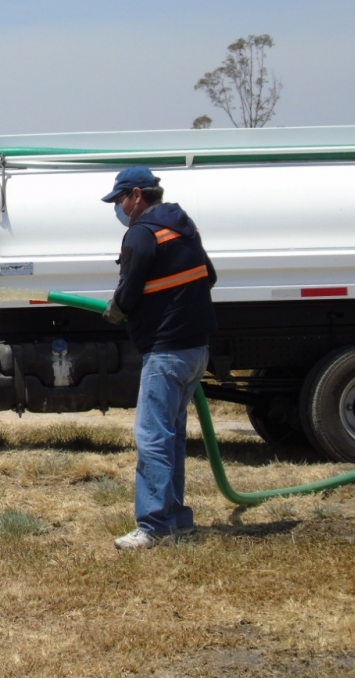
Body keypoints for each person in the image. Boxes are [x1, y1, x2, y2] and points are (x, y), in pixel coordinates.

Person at [101, 166, 218, 550]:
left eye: (120, 200)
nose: (119, 208)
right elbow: (210, 276)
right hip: (196, 348)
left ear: (137, 194)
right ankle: (177, 520)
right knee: (171, 438)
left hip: (165, 350)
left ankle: (154, 526)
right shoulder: (184, 226)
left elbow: (129, 288)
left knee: (152, 438)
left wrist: (117, 309)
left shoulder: (142, 231)